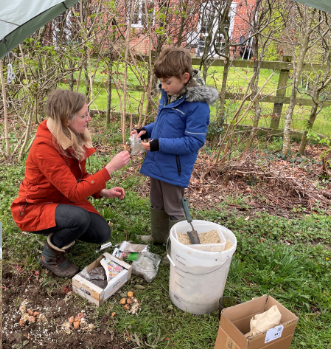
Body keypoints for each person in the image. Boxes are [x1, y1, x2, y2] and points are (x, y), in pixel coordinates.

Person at [11, 90, 130, 278]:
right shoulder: (44, 147)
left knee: (101, 233)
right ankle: (49, 256)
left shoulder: (69, 135)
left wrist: (102, 192)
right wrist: (109, 169)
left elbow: (77, 176)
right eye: (84, 116)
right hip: (35, 207)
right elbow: (74, 191)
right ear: (67, 119)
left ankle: (64, 228)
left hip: (62, 198)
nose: (89, 118)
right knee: (79, 218)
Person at [131, 47, 219, 244]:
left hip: (175, 167)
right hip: (157, 161)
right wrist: (146, 130)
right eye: (161, 82)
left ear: (185, 77)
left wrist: (157, 144)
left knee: (173, 207)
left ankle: (177, 246)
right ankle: (158, 237)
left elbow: (194, 141)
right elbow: (165, 125)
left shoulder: (197, 106)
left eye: (167, 82)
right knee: (157, 202)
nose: (163, 86)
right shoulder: (170, 95)